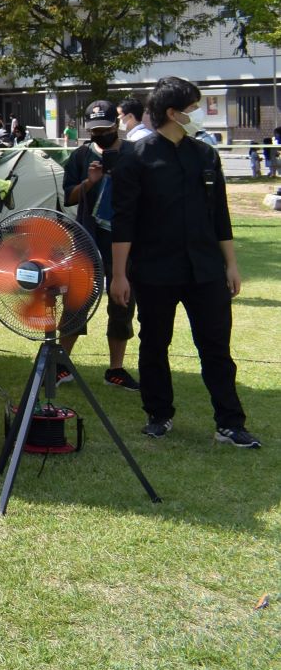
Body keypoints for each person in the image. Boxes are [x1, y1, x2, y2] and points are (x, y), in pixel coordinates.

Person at [108, 77, 260, 448]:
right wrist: (119, 275)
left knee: (216, 346)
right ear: (173, 113)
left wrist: (231, 265)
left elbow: (220, 214)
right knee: (154, 343)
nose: (198, 113)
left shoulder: (205, 154)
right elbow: (123, 221)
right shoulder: (135, 157)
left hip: (205, 269)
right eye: (193, 107)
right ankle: (158, 415)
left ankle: (230, 423)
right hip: (155, 269)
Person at [58, 100, 137, 390]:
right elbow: (69, 197)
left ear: (116, 125)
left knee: (122, 301)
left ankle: (116, 369)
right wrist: (90, 182)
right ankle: (61, 365)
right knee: (76, 299)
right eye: (94, 130)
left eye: (105, 129)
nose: (100, 134)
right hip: (87, 236)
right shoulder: (81, 156)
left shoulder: (134, 153)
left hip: (124, 237)